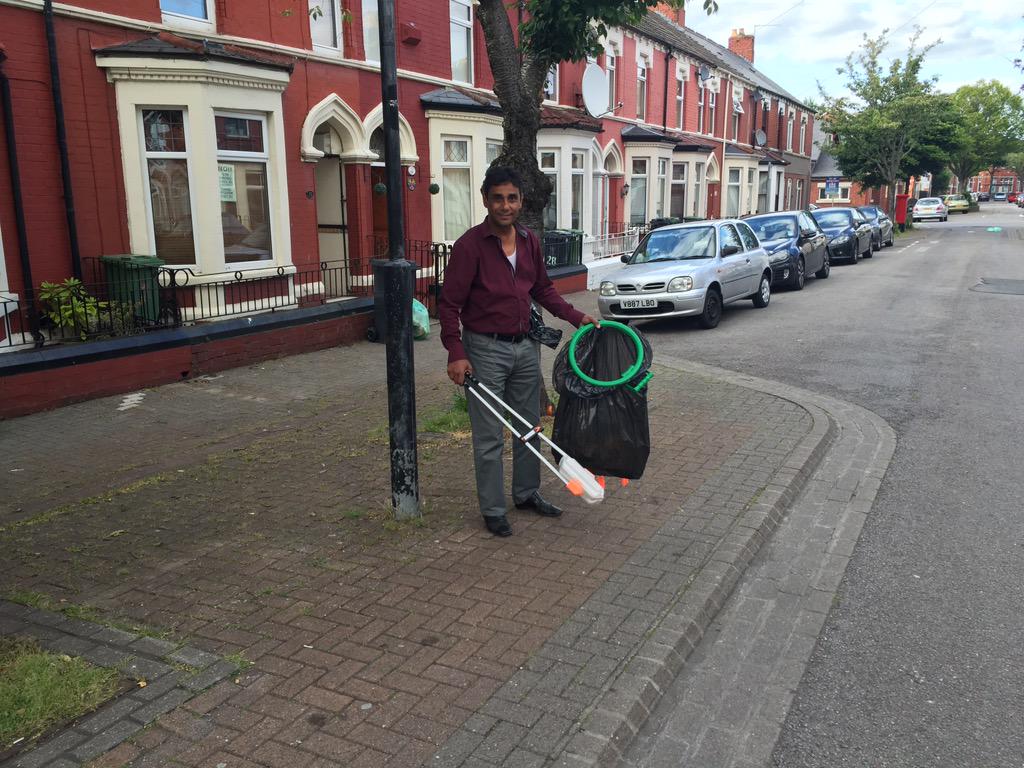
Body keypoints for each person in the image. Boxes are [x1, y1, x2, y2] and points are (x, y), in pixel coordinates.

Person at [439, 166, 599, 537]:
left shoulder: (529, 241)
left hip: (526, 347)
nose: (505, 205)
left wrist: (576, 316)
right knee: (490, 435)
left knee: (529, 427)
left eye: (512, 198)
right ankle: (493, 510)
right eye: (498, 198)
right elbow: (448, 305)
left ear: (521, 202)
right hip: (485, 350)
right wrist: (455, 352)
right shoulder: (469, 246)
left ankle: (527, 494)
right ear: (485, 200)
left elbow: (542, 289)